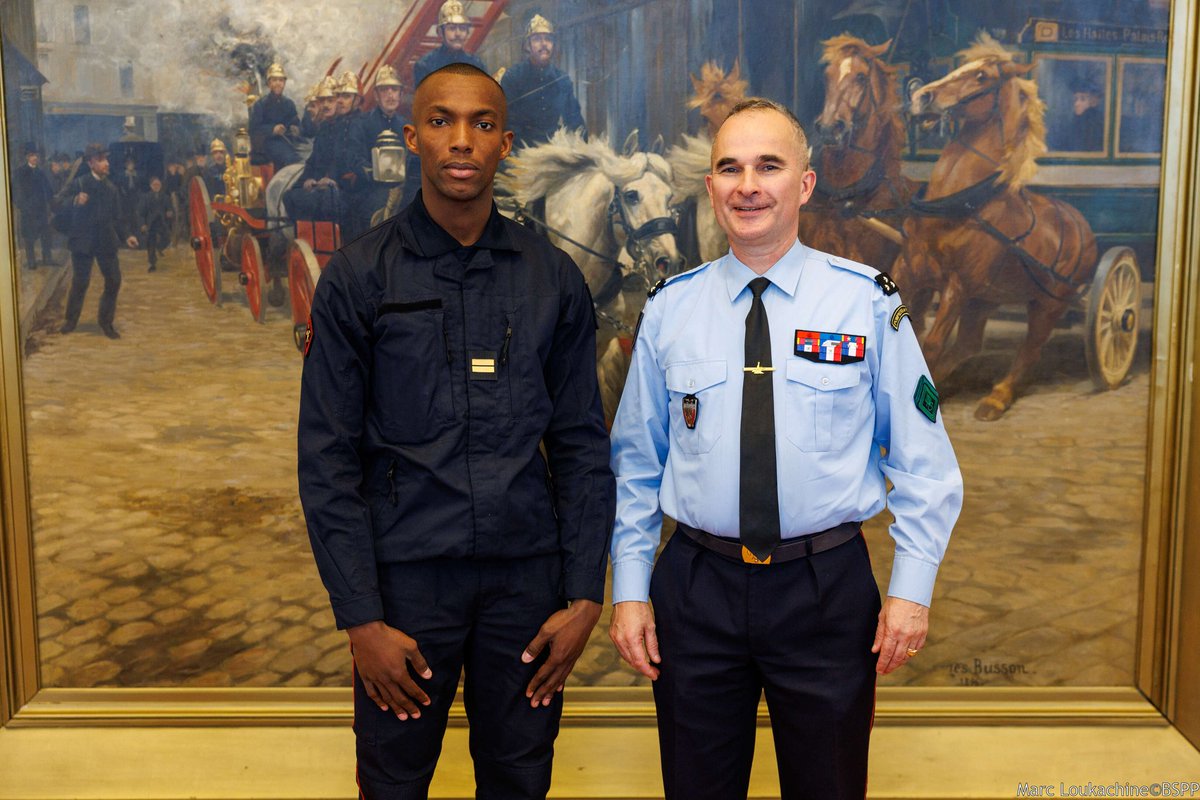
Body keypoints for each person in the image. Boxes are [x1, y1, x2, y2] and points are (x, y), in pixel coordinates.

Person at [608, 98, 963, 800]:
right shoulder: (670, 309)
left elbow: (924, 462)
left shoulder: (866, 304)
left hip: (825, 591)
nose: (748, 185)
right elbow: (636, 463)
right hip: (696, 588)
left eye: (769, 166)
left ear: (803, 183)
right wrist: (629, 587)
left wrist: (911, 592)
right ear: (709, 187)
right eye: (730, 168)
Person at [298, 62, 614, 799]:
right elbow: (327, 461)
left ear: (506, 142)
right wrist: (362, 621)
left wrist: (584, 594)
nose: (461, 140)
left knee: (520, 777)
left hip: (526, 588)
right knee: (394, 781)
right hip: (406, 591)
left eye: (481, 124)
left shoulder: (552, 280)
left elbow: (580, 447)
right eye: (441, 122)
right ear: (413, 138)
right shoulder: (357, 278)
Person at [401, 0, 487, 208]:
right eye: (452, 28)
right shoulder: (425, 65)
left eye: (462, 28)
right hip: (437, 131)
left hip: (467, 132)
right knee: (413, 197)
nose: (457, 33)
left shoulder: (478, 65)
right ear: (441, 32)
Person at [60, 143, 139, 339]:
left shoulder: (111, 188)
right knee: (80, 282)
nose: (106, 163)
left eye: (107, 159)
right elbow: (55, 203)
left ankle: (106, 322)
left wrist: (127, 235)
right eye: (102, 160)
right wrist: (75, 200)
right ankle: (71, 320)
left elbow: (118, 218)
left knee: (113, 280)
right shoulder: (79, 184)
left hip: (105, 241)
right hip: (83, 241)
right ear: (91, 163)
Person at [499, 14, 586, 149]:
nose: (544, 44)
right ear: (528, 45)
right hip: (519, 148)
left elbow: (574, 119)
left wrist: (583, 149)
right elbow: (508, 123)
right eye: (537, 39)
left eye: (548, 39)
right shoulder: (513, 77)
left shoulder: (562, 79)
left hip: (552, 147)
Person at [348, 64, 406, 230]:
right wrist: (376, 174)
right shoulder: (361, 124)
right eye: (384, 90)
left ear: (401, 94)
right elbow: (354, 158)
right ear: (376, 95)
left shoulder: (407, 126)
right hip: (370, 189)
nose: (390, 95)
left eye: (394, 89)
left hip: (402, 188)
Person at [249, 62, 302, 170]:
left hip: (287, 142)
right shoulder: (260, 105)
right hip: (266, 145)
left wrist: (296, 129)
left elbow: (296, 123)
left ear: (284, 83)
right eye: (274, 80)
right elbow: (254, 129)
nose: (278, 83)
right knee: (291, 159)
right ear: (269, 83)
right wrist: (273, 129)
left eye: (281, 80)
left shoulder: (289, 104)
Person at [13, 143, 55, 269]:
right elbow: (16, 192)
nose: (35, 158)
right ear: (27, 157)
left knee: (45, 234)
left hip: (41, 209)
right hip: (28, 210)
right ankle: (31, 260)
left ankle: (47, 258)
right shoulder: (20, 172)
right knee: (29, 236)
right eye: (32, 155)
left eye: (36, 155)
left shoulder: (41, 172)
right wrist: (23, 207)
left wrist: (50, 202)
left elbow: (48, 189)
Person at [137, 176, 173, 272]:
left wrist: (169, 213)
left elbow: (170, 209)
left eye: (158, 184)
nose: (156, 186)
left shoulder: (166, 197)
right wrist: (143, 224)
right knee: (151, 243)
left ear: (161, 186)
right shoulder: (146, 197)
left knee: (167, 239)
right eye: (154, 185)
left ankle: (160, 247)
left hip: (162, 223)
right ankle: (152, 264)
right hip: (150, 223)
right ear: (151, 186)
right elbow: (141, 213)